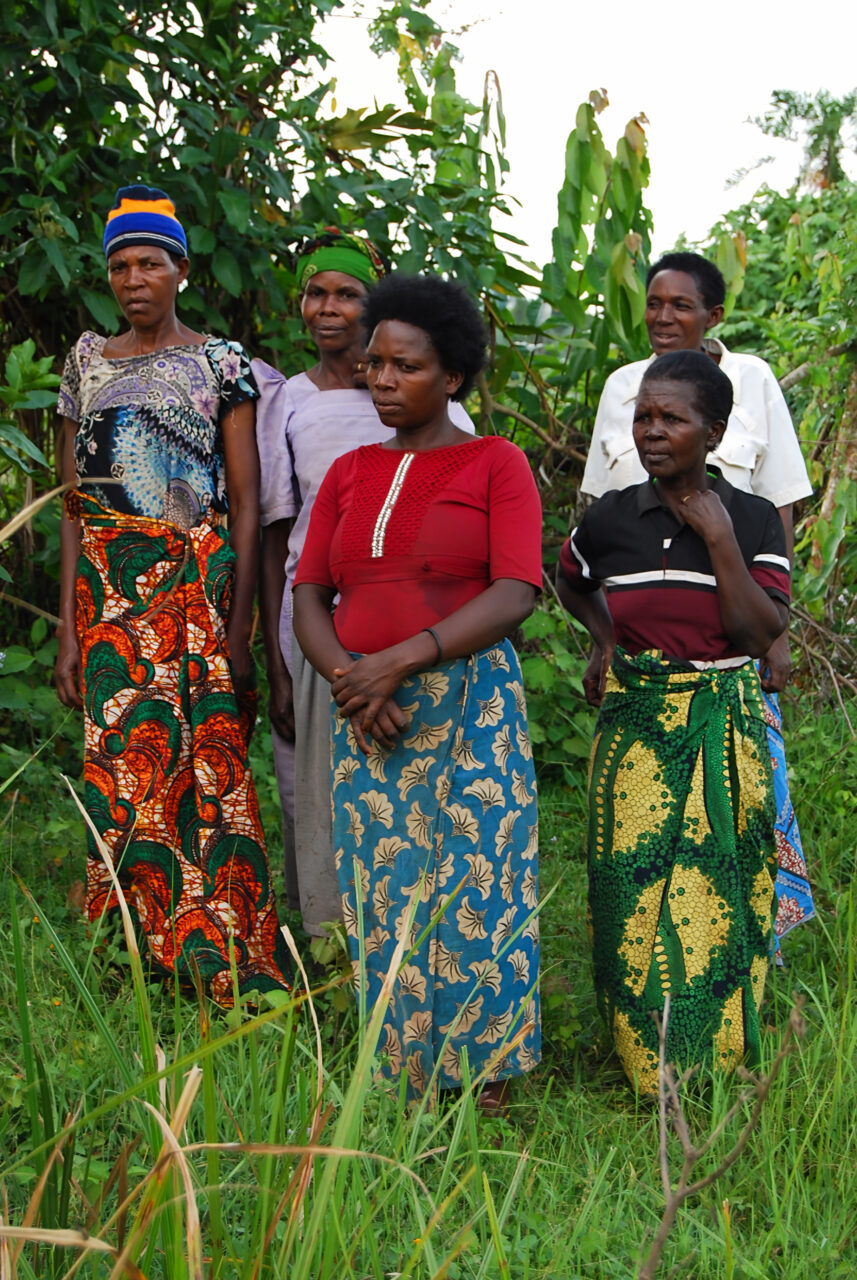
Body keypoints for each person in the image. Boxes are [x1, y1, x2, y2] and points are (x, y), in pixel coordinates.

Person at [292, 275, 542, 1103]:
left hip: (467, 704)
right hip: (369, 711)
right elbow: (308, 592)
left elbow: (515, 592)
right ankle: (396, 1061)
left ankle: (486, 1073)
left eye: (405, 366)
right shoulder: (349, 472)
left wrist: (400, 660)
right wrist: (349, 679)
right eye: (374, 365)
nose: (383, 381)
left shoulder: (496, 463)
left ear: (454, 377)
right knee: (385, 886)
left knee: (480, 880)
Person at [54, 184, 290, 1003]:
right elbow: (74, 508)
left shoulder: (221, 364)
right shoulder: (86, 364)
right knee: (121, 766)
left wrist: (241, 626)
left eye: (149, 262)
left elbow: (248, 500)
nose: (133, 279)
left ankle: (219, 941)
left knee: (205, 761)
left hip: (196, 583)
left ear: (180, 270)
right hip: (111, 594)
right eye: (120, 265)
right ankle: (131, 946)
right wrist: (67, 633)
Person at [558, 350, 790, 1092]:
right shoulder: (610, 519)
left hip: (721, 723)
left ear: (713, 432)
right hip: (633, 727)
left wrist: (717, 537)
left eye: (671, 418)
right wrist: (605, 641)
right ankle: (639, 1059)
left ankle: (707, 1062)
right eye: (643, 417)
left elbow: (757, 634)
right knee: (628, 891)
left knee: (716, 892)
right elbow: (569, 581)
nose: (651, 431)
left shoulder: (751, 519)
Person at [581, 251, 813, 945]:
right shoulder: (623, 385)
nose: (662, 317)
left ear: (713, 316)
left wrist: (775, 632)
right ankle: (653, 953)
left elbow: (778, 511)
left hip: (731, 639)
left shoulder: (751, 379)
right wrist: (603, 638)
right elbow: (597, 515)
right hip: (647, 658)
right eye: (653, 303)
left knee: (743, 798)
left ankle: (747, 950)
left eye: (680, 305)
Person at [254, 231, 473, 937]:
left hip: (419, 633)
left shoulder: (448, 416)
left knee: (408, 782)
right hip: (315, 626)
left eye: (346, 294)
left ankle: (412, 935)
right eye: (315, 293)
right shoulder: (286, 402)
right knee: (309, 787)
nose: (329, 308)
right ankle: (327, 943)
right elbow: (275, 534)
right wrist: (282, 660)